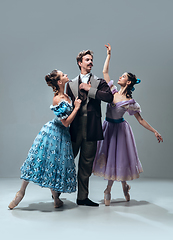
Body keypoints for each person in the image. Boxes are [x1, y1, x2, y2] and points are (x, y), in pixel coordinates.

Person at [92, 43, 163, 206]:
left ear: (129, 82)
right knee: (110, 159)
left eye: (123, 77)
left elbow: (140, 120)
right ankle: (124, 185)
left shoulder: (130, 102)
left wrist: (154, 131)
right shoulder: (113, 92)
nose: (120, 77)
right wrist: (109, 55)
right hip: (107, 128)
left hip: (120, 131)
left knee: (118, 160)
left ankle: (108, 190)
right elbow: (105, 72)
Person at [8, 70, 81, 209]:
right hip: (53, 132)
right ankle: (21, 193)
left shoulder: (66, 96)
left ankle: (56, 199)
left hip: (63, 135)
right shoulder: (57, 99)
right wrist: (76, 108)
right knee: (36, 159)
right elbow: (66, 123)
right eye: (63, 74)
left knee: (55, 165)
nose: (66, 75)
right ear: (59, 82)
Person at [66, 50, 113, 207]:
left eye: (91, 59)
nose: (90, 62)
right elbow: (65, 107)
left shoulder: (99, 82)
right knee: (66, 162)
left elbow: (109, 97)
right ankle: (56, 194)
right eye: (87, 59)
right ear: (80, 63)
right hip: (74, 129)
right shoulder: (70, 84)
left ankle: (82, 197)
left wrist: (89, 89)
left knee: (86, 165)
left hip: (92, 129)